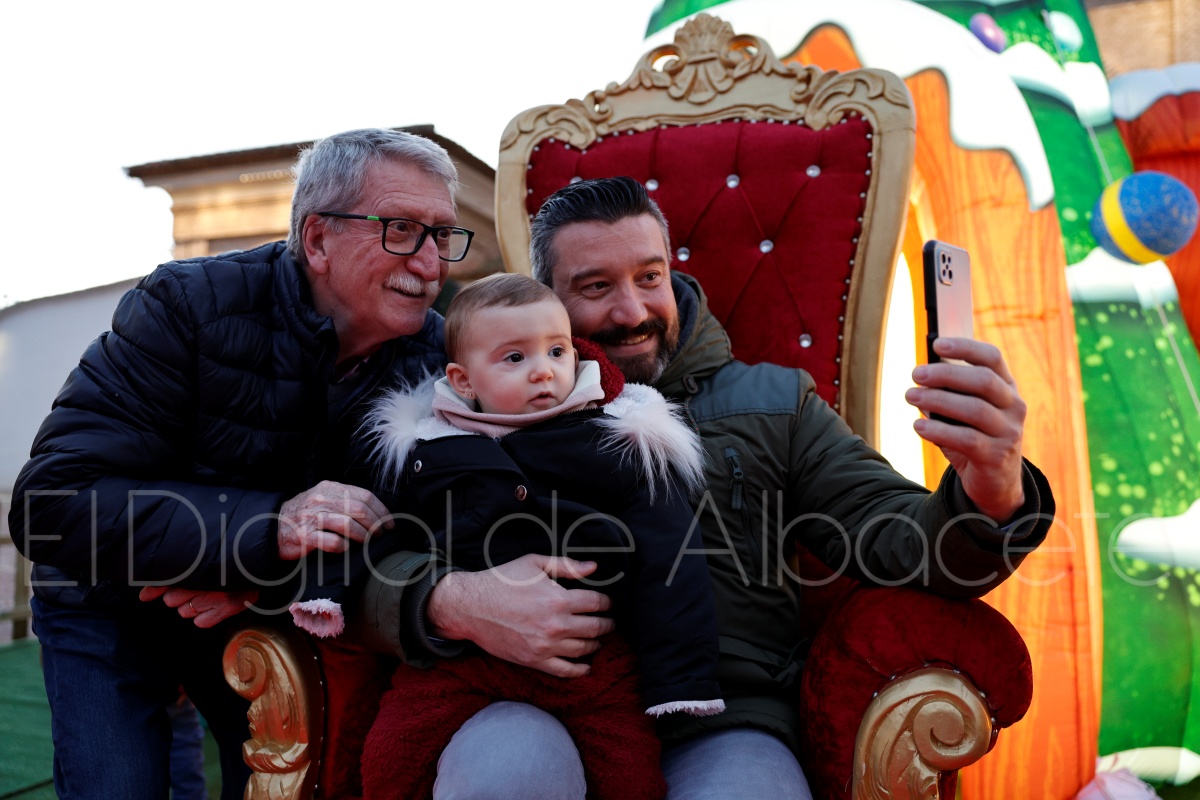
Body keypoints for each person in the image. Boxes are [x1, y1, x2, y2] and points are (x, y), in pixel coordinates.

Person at [354, 176, 1056, 799]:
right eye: (596, 288)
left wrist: (991, 489)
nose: (631, 311)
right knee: (508, 775)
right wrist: (451, 600)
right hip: (520, 697)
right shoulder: (459, 417)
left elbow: (896, 537)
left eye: (649, 277)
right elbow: (369, 559)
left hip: (724, 718)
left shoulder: (774, 404)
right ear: (548, 301)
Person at [7, 128, 470, 800]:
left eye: (443, 235)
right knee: (119, 783)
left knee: (288, 778)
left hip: (253, 603)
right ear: (318, 240)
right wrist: (268, 531)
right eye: (401, 230)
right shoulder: (187, 304)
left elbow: (413, 524)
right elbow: (51, 503)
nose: (430, 262)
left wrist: (258, 578)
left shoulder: (436, 357)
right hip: (106, 596)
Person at [292, 271, 722, 799]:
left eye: (557, 351)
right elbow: (371, 524)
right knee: (390, 757)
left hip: (592, 663)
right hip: (464, 662)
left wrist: (682, 682)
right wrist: (324, 589)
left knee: (630, 777)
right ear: (464, 380)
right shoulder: (428, 450)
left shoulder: (615, 441)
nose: (543, 370)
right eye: (515, 358)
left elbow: (671, 555)